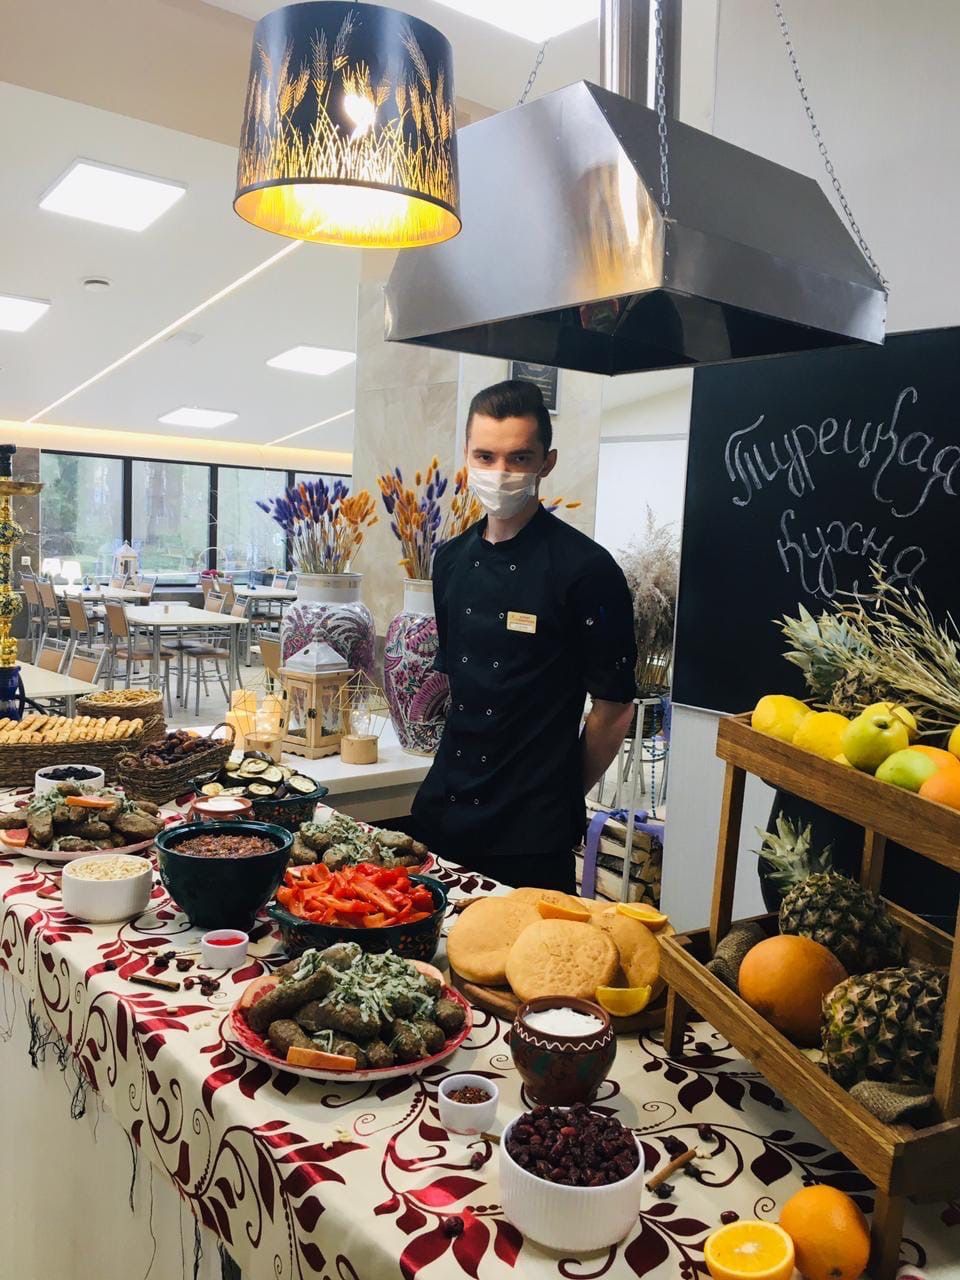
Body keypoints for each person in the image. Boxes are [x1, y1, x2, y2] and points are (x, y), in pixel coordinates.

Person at [411, 379, 637, 893]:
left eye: (519, 458)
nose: (500, 473)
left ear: (546, 463)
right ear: (467, 456)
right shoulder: (449, 561)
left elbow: (614, 709)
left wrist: (561, 790)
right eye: (485, 457)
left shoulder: (587, 570)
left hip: (531, 832)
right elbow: (459, 687)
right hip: (443, 809)